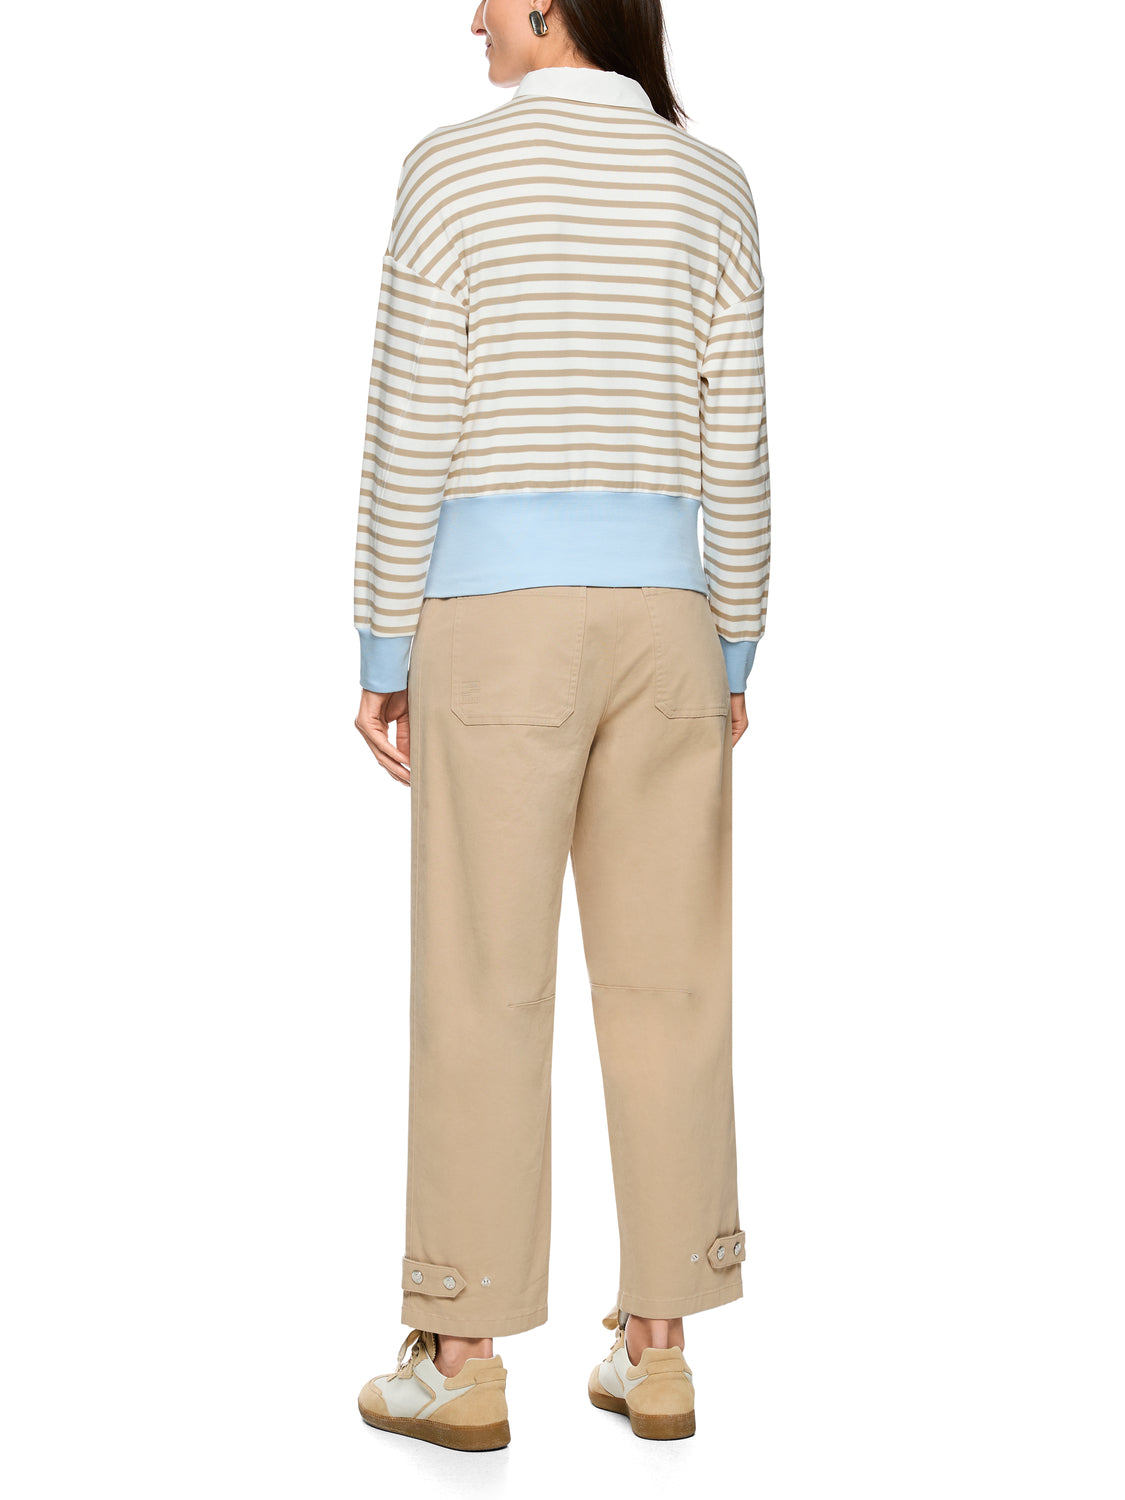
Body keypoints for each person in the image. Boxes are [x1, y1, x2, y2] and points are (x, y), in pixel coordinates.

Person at [352, 0, 769, 1450]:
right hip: (666, 621)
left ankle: (462, 1353)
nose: (469, 15)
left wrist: (384, 641)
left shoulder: (451, 169)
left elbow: (410, 419)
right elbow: (738, 435)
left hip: (495, 624)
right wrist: (734, 638)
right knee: (670, 985)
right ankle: (658, 1349)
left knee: (485, 980)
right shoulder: (710, 182)